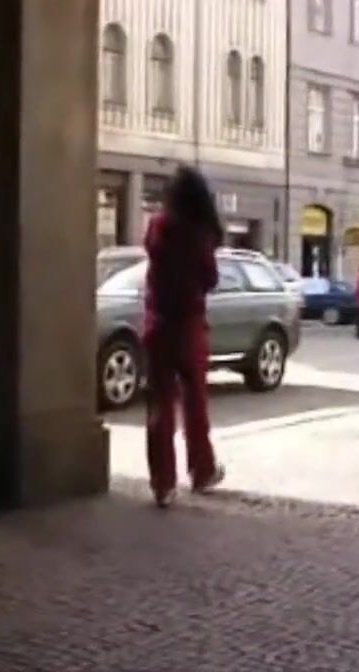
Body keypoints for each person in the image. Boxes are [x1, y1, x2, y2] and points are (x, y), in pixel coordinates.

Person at [143, 165, 226, 508]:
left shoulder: (157, 226)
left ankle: (163, 483)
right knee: (195, 402)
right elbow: (210, 279)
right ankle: (201, 471)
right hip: (189, 325)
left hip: (158, 324)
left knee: (160, 403)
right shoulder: (199, 232)